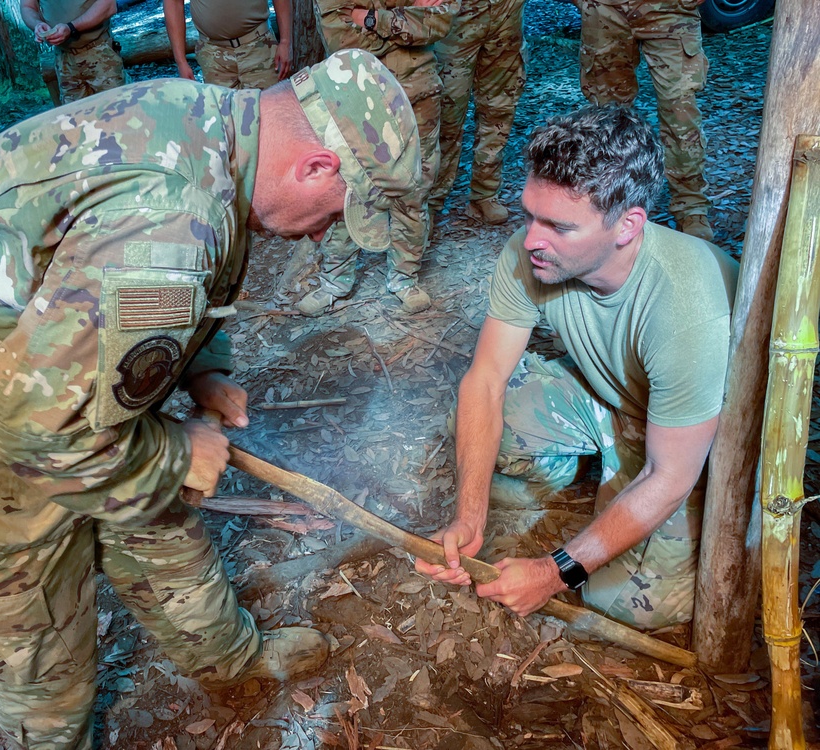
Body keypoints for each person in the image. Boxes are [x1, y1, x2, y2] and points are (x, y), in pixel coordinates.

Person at [0, 50, 423, 749]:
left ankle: (231, 663)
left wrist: (200, 372)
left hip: (31, 390)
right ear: (316, 166)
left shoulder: (214, 128)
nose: (327, 232)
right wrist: (177, 454)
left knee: (155, 519)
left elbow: (176, 300)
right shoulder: (172, 220)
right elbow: (40, 434)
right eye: (338, 212)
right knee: (43, 665)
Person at [416, 105, 739, 630]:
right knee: (484, 412)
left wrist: (553, 572)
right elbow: (486, 379)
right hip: (612, 397)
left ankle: (609, 473)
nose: (530, 239)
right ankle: (591, 465)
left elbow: (672, 474)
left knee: (621, 603)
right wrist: (468, 515)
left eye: (558, 226)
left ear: (628, 226)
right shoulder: (533, 255)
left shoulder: (687, 309)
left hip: (690, 442)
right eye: (528, 214)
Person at [297, 0, 456, 316]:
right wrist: (403, 19)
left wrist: (367, 17)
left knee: (414, 188)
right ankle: (334, 282)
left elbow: (438, 23)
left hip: (417, 95)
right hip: (357, 97)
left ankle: (404, 278)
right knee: (345, 189)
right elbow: (344, 41)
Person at [577, 0, 715, 242]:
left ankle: (691, 207)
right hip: (606, 10)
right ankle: (611, 200)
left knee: (680, 113)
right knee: (607, 117)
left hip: (670, 10)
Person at [429, 0, 526, 226]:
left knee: (499, 110)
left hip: (506, 13)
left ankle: (485, 194)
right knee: (444, 115)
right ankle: (429, 204)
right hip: (456, 17)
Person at [164, 0, 293, 89]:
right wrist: (181, 61)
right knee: (224, 123)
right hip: (213, 57)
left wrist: (285, 42)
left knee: (269, 116)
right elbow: (173, 3)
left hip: (259, 48)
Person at [20, 0, 125, 105]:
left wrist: (71, 28)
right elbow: (27, 6)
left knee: (117, 110)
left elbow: (109, 6)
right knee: (75, 117)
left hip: (100, 52)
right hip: (64, 59)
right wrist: (37, 24)